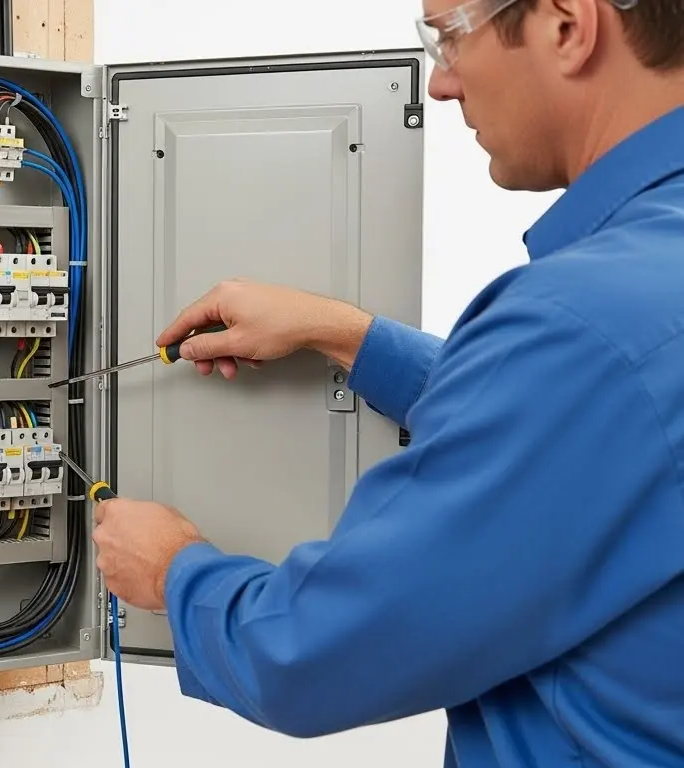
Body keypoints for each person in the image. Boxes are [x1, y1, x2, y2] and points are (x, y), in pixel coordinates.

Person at [90, 0, 684, 764]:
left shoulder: (583, 323)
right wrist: (345, 335)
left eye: (449, 36)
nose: (439, 83)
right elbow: (606, 441)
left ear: (567, 26)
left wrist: (174, 571)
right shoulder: (634, 303)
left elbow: (312, 655)